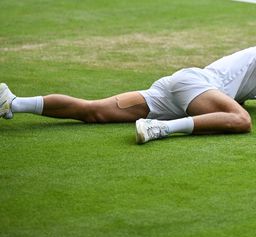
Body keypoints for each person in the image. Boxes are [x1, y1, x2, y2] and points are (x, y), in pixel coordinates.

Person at [0, 47, 256, 144]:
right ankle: (162, 128)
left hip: (176, 87)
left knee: (94, 111)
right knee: (241, 120)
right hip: (194, 86)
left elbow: (240, 88)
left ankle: (12, 102)